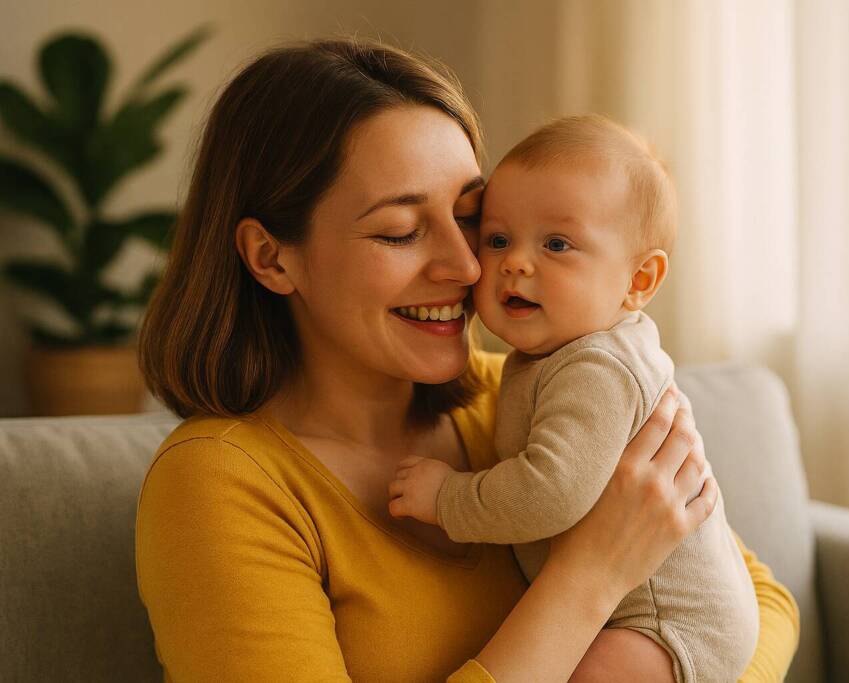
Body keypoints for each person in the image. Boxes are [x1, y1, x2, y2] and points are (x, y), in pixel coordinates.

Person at [135, 38, 799, 682]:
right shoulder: (220, 481)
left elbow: (760, 602)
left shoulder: (526, 389)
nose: (466, 264)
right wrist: (590, 578)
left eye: (473, 219)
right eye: (401, 231)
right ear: (271, 257)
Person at [389, 114, 759, 682]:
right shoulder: (547, 358)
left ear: (639, 281)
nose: (515, 262)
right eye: (497, 238)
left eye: (557, 244)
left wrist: (449, 499)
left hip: (662, 623)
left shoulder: (595, 366)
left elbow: (551, 491)